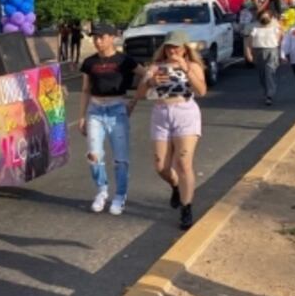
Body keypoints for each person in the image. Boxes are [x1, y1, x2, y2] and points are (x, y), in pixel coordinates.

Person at [133, 30, 207, 230]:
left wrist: (186, 70)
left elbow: (201, 91)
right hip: (161, 113)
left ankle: (186, 207)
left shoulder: (192, 66)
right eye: (169, 46)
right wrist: (150, 82)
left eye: (177, 47)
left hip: (184, 112)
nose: (173, 50)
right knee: (161, 166)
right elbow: (140, 94)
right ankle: (176, 185)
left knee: (183, 162)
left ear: (184, 49)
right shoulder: (156, 67)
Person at [78, 23, 139, 215]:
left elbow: (147, 76)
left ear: (112, 37)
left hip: (117, 109)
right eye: (95, 37)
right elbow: (86, 89)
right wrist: (82, 116)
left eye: (101, 37)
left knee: (120, 159)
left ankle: (120, 195)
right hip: (95, 110)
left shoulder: (124, 60)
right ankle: (102, 190)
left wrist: (134, 101)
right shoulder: (89, 63)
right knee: (94, 155)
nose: (97, 41)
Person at [250, 9, 282, 105]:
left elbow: (279, 41)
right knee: (262, 75)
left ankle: (269, 95)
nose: (264, 18)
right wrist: (248, 53)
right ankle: (267, 91)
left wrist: (282, 54)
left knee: (269, 71)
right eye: (263, 16)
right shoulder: (255, 29)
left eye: (266, 16)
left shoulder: (275, 28)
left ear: (271, 18)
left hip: (271, 51)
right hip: (258, 52)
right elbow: (248, 43)